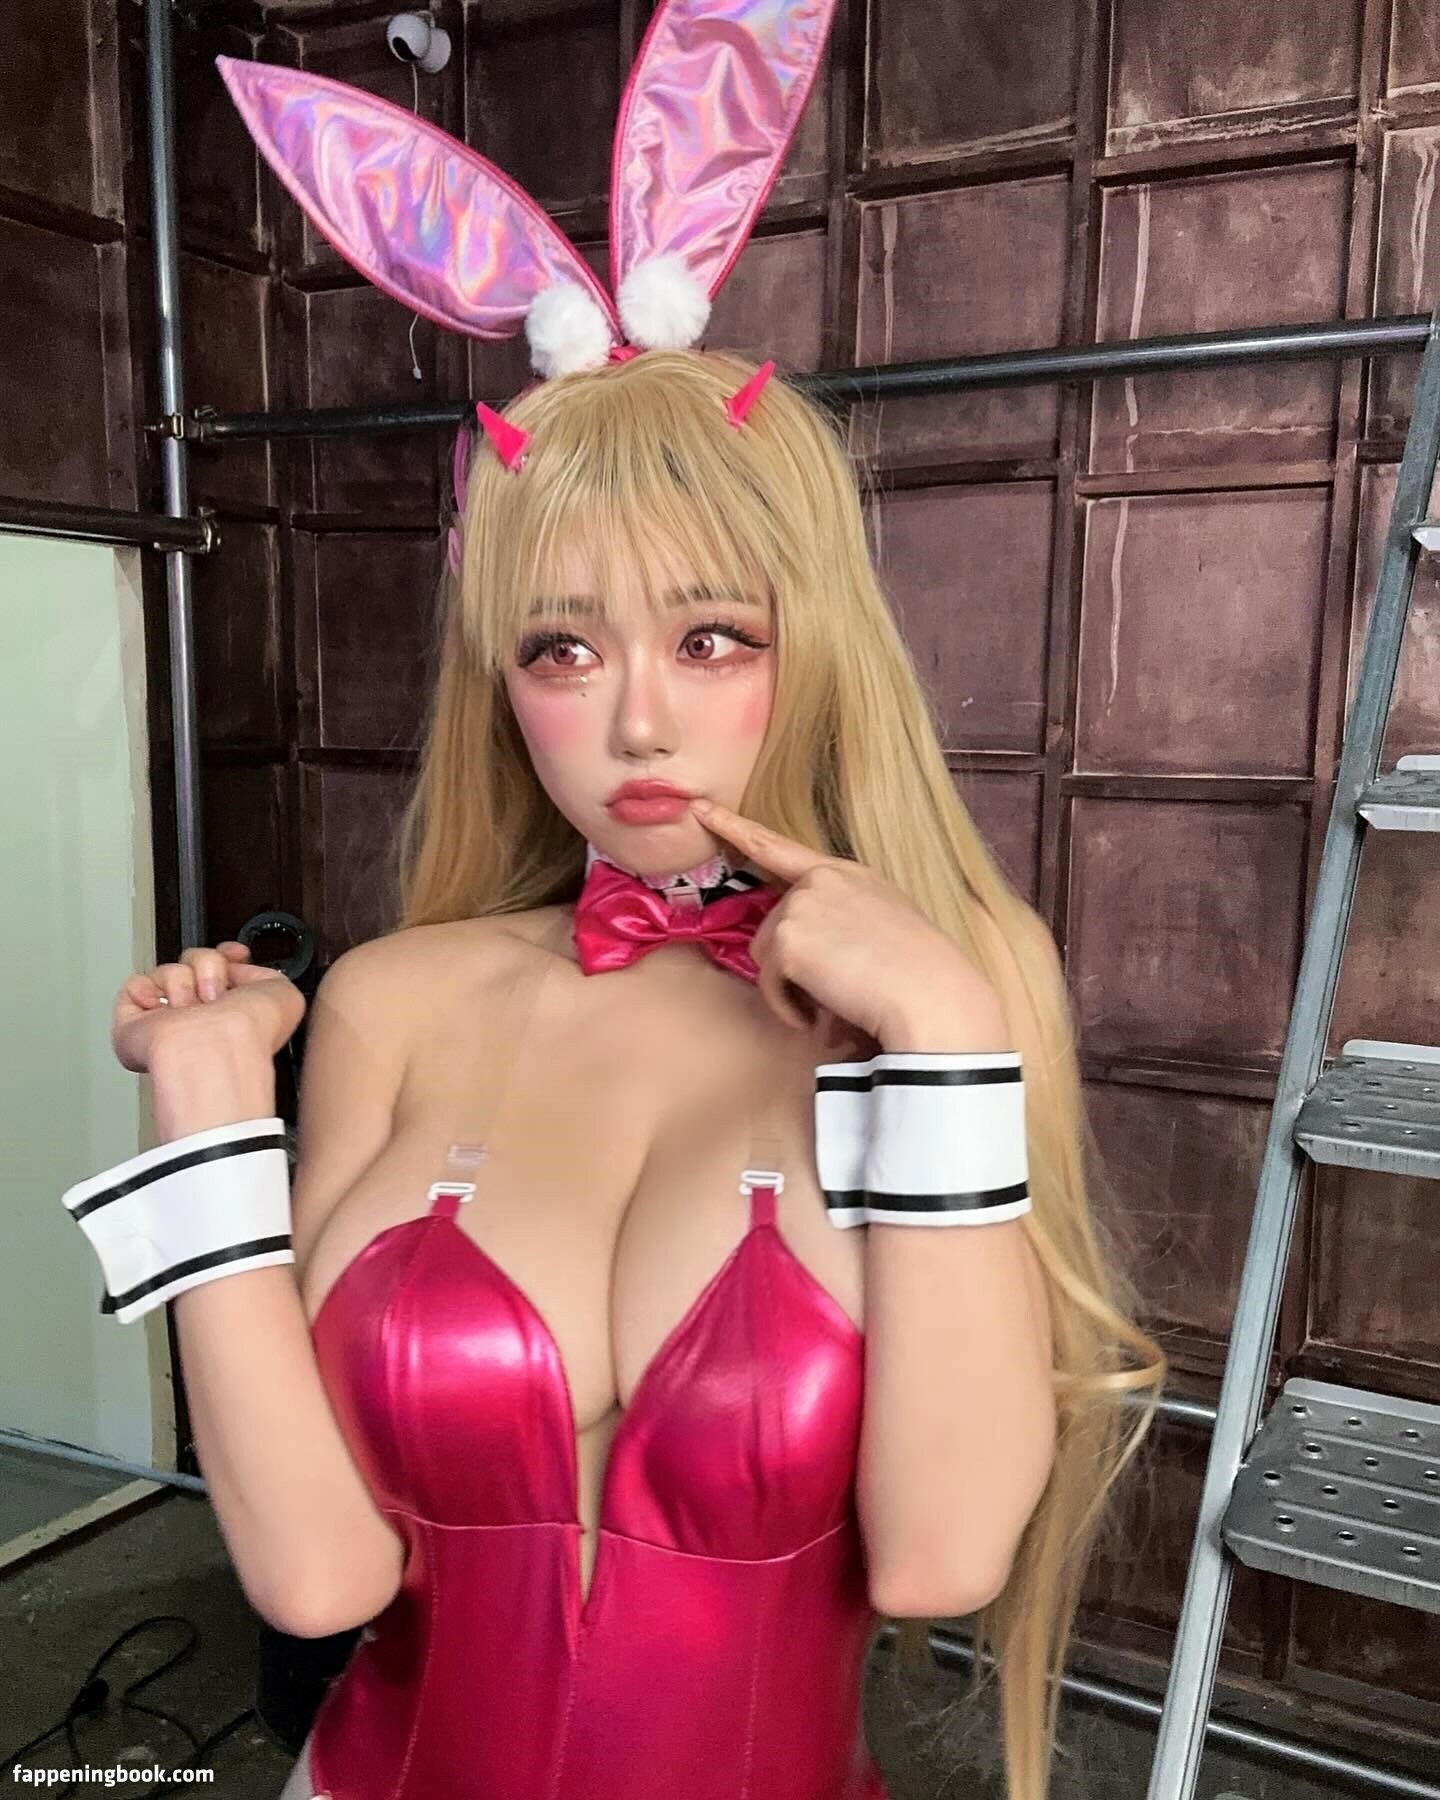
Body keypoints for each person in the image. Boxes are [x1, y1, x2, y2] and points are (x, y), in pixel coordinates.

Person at [61, 7, 1168, 1796]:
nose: (636, 718)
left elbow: (945, 1555)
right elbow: (321, 1580)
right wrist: (201, 1114)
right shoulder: (395, 998)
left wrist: (947, 1031)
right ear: (504, 682)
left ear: (816, 642)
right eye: (563, 649)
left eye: (711, 635)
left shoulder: (958, 988)